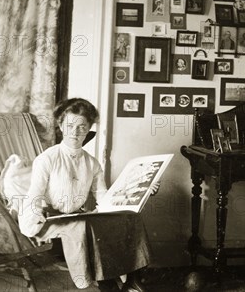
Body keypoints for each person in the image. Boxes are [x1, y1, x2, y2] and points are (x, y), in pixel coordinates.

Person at [19, 99, 157, 292]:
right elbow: (34, 194)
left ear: (89, 128)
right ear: (60, 126)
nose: (75, 132)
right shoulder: (47, 159)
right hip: (49, 219)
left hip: (77, 216)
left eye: (82, 127)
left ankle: (133, 279)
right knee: (86, 225)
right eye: (70, 125)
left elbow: (105, 199)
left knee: (129, 218)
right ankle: (107, 285)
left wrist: (143, 191)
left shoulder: (91, 163)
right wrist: (33, 221)